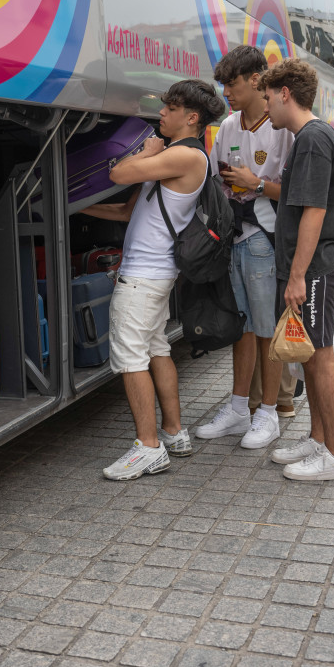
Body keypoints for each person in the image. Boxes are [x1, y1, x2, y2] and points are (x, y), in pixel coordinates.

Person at [80, 80, 225, 481]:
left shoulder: (186, 155)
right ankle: (174, 434)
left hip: (144, 277)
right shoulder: (178, 157)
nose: (161, 114)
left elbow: (119, 172)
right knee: (157, 348)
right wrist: (77, 208)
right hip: (154, 275)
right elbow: (130, 212)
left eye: (169, 108)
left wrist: (145, 151)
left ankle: (147, 447)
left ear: (191, 118)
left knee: (130, 359)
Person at [193, 45, 296, 449]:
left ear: (256, 80)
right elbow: (218, 182)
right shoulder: (228, 128)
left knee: (266, 328)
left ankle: (268, 413)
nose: (226, 93)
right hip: (233, 239)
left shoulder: (285, 127)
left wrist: (254, 183)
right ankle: (239, 409)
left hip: (265, 239)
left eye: (231, 84)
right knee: (242, 328)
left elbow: (295, 191)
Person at [257, 58, 334, 481]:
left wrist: (297, 275)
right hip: (311, 268)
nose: (265, 108)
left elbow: (314, 212)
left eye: (267, 98)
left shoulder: (312, 139)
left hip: (313, 269)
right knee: (311, 357)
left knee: (320, 357)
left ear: (284, 94)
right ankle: (318, 439)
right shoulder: (311, 136)